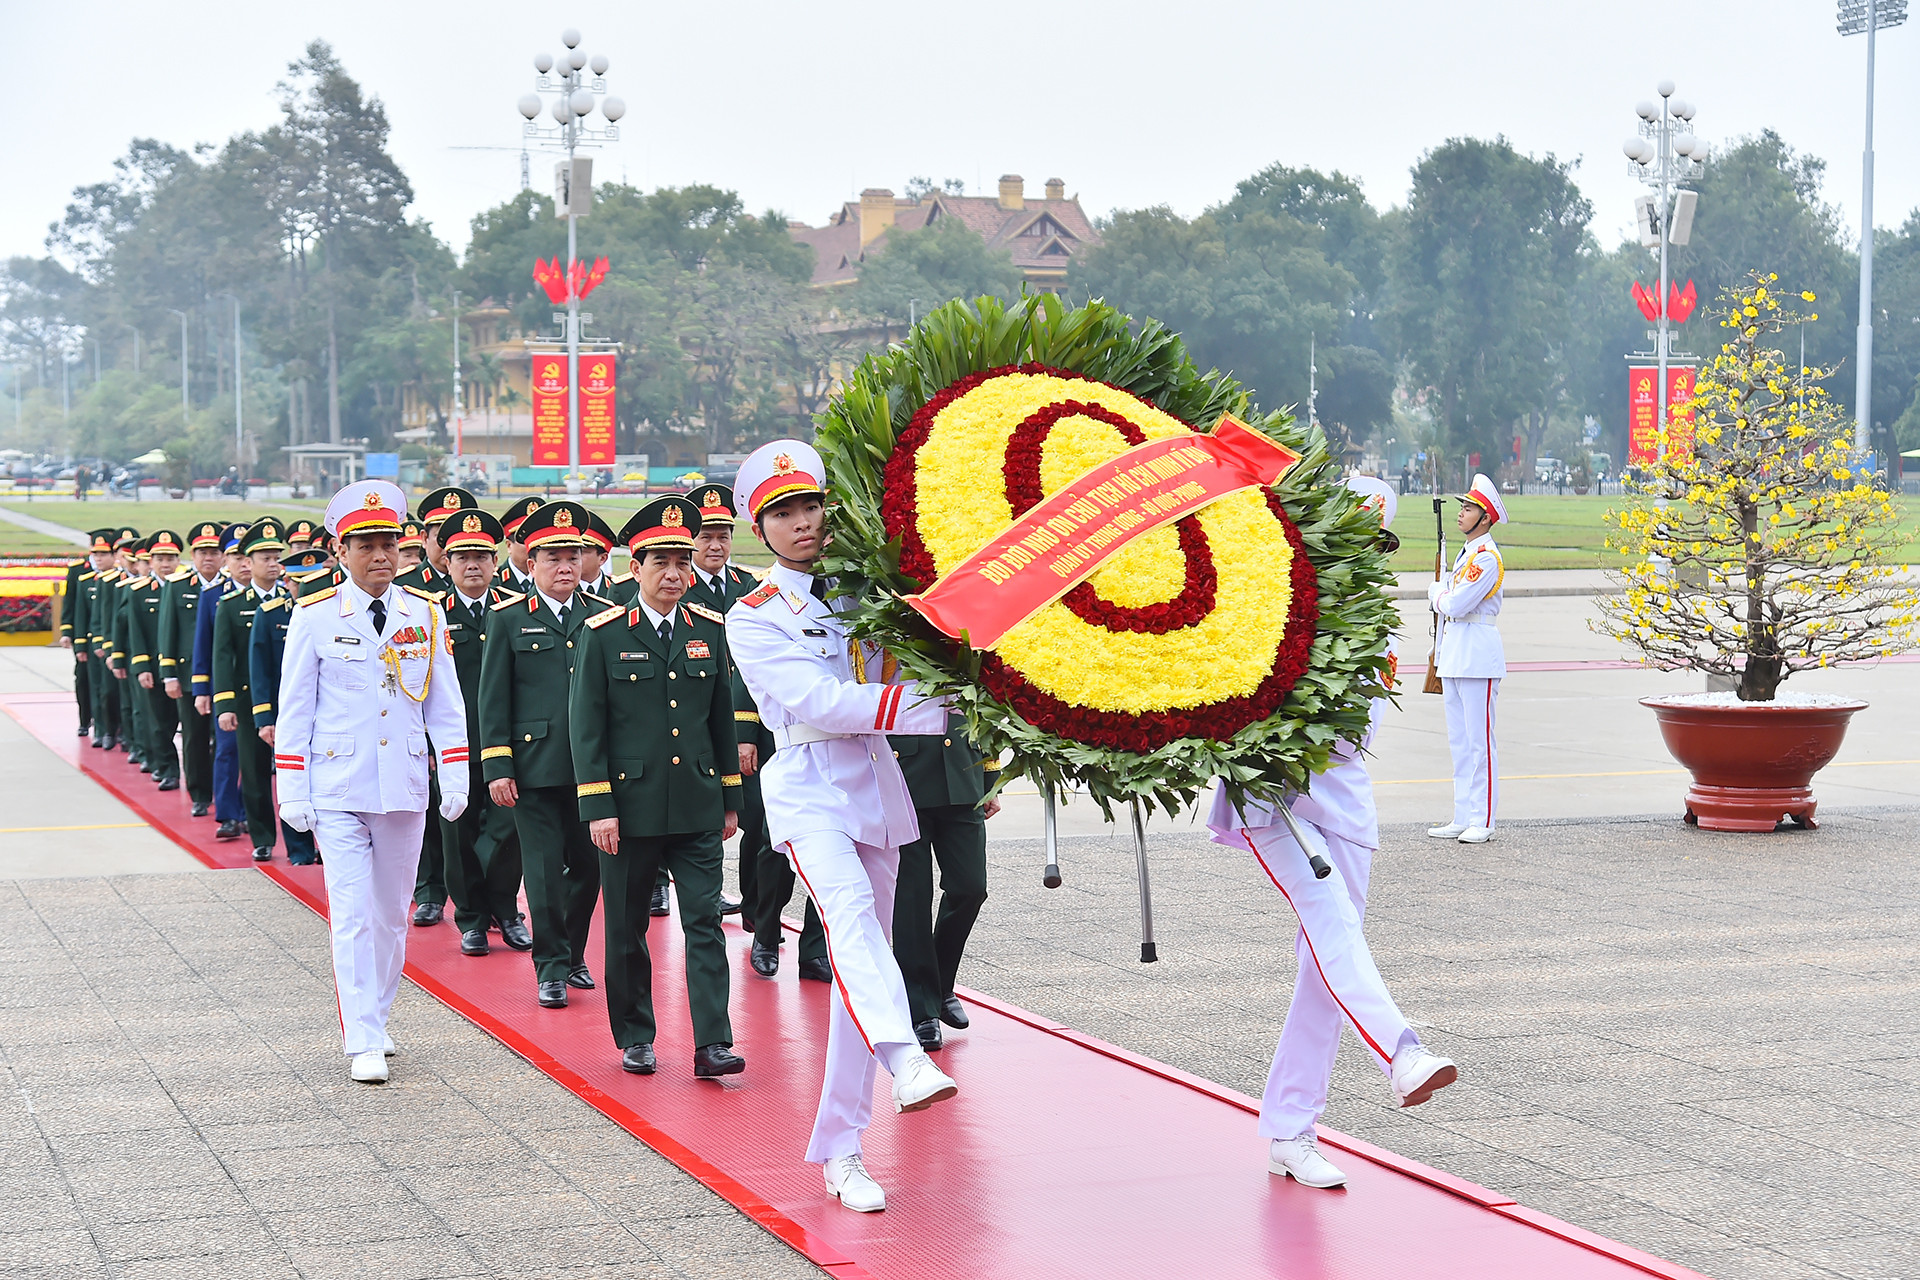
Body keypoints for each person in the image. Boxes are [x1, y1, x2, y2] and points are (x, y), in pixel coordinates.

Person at [726, 439, 956, 1215]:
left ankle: (842, 1149)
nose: (801, 524)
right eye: (782, 513)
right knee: (852, 925)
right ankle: (908, 1057)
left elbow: (904, 663)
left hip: (874, 783)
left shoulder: (869, 591)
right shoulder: (752, 617)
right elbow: (822, 703)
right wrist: (939, 711)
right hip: (807, 784)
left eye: (810, 507)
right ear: (762, 529)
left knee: (868, 965)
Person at [1209, 476, 1458, 1190]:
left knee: (1325, 971)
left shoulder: (1372, 624)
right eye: (1352, 541)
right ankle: (1402, 1054)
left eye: (1376, 546)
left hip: (1343, 805)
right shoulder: (1269, 598)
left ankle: (1290, 1128)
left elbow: (1357, 734)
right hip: (1270, 799)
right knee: (1333, 928)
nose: (1366, 559)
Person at [275, 480, 469, 1084]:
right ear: (340, 549)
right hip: (337, 785)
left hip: (403, 785)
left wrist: (455, 772)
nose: (380, 555)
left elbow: (445, 705)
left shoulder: (425, 614)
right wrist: (293, 788)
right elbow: (295, 709)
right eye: (366, 544)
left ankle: (379, 1018)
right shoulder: (312, 617)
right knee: (352, 912)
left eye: (389, 543)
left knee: (390, 914)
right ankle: (359, 1033)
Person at [571, 496, 743, 1079]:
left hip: (696, 805)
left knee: (704, 923)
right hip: (629, 809)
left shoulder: (710, 631)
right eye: (661, 562)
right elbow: (586, 726)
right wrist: (598, 806)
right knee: (626, 929)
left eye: (682, 562)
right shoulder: (601, 633)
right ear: (635, 567)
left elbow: (721, 720)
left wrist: (729, 798)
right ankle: (636, 1035)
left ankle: (712, 1042)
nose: (674, 574)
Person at [479, 500, 612, 1009]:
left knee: (589, 867)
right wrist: (497, 764)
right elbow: (493, 698)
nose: (564, 567)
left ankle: (572, 951)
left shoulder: (602, 617)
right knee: (541, 869)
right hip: (533, 769)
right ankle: (551, 967)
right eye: (553, 556)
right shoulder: (509, 618)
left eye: (573, 556)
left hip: (591, 770)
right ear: (530, 562)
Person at [433, 508, 530, 956]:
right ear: (446, 563)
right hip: (452, 744)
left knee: (509, 831)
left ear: (495, 561)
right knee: (459, 832)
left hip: (508, 743)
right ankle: (471, 917)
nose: (473, 565)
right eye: (462, 557)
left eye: (481, 556)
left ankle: (506, 909)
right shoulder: (431, 613)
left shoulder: (513, 609)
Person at [889, 715, 1000, 1051]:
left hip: (962, 773)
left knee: (970, 889)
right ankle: (921, 1008)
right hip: (904, 778)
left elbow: (984, 706)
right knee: (912, 898)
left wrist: (991, 778)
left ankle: (938, 985)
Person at [1426, 473, 1508, 845]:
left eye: (1469, 508)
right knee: (1459, 742)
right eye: (1462, 507)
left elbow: (1457, 603)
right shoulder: (1465, 555)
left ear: (1486, 518)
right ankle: (1463, 814)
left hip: (1477, 652)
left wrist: (1436, 594)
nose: (1461, 513)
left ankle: (1483, 818)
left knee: (1479, 742)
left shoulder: (1486, 558)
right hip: (1456, 653)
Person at [214, 520, 299, 863]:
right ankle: (263, 835)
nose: (274, 562)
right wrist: (225, 704)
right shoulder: (232, 605)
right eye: (265, 556)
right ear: (248, 562)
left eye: (276, 555)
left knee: (294, 773)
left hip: (289, 700)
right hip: (250, 701)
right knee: (254, 771)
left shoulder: (293, 601)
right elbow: (223, 656)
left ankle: (300, 842)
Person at [249, 548, 328, 865]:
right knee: (292, 776)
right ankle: (299, 849)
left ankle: (324, 843)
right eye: (297, 582)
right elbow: (261, 670)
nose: (303, 588)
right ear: (287, 582)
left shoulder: (333, 613)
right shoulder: (270, 613)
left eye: (311, 581)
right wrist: (265, 717)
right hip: (289, 713)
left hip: (326, 713)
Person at [159, 522, 225, 816]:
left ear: (223, 556)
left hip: (225, 676)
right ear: (193, 556)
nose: (208, 558)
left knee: (225, 741)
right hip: (188, 676)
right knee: (195, 737)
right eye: (202, 552)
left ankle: (226, 795)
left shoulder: (231, 586)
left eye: (213, 552)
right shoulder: (177, 586)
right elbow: (167, 631)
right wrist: (169, 674)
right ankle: (199, 793)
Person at [197, 524, 250, 838]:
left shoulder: (275, 595)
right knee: (227, 751)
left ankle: (250, 812)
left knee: (256, 757)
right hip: (226, 688)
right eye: (235, 556)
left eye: (248, 556)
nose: (243, 563)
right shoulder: (213, 596)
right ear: (225, 561)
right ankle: (228, 815)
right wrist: (202, 689)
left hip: (261, 690)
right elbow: (203, 646)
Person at [126, 531, 184, 792]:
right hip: (153, 666)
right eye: (160, 559)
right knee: (160, 723)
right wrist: (140, 667)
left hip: (183, 667)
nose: (166, 564)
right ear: (151, 562)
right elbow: (135, 632)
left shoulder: (186, 588)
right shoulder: (139, 592)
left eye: (170, 558)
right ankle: (167, 769)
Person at [58, 540, 100, 740]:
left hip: (103, 636)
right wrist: (67, 631)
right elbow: (71, 602)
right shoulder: (78, 570)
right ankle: (85, 720)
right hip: (83, 633)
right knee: (83, 678)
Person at [496, 497, 544, 592]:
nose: (533, 547)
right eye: (525, 542)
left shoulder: (552, 581)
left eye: (538, 541)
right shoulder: (493, 582)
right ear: (509, 546)